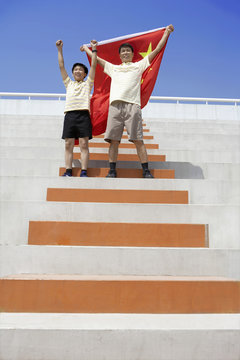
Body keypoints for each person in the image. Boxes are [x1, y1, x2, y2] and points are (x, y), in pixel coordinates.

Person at [82, 25, 174, 178]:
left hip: (133, 106)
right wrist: (88, 48)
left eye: (128, 51)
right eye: (123, 51)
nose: (125, 53)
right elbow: (96, 60)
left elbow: (157, 50)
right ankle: (112, 170)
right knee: (114, 141)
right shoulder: (113, 68)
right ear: (120, 55)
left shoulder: (139, 65)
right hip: (115, 107)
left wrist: (166, 33)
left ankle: (145, 170)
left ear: (132, 54)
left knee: (138, 140)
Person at [56, 39, 98, 177]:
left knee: (83, 144)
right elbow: (61, 66)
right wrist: (60, 49)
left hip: (83, 116)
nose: (78, 71)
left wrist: (93, 49)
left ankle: (84, 171)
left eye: (80, 69)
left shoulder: (88, 84)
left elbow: (94, 65)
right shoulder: (69, 83)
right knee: (68, 144)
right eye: (75, 70)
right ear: (73, 73)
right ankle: (68, 171)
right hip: (70, 115)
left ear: (85, 74)